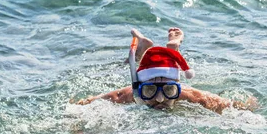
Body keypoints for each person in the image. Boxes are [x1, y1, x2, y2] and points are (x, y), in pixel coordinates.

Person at [76, 28, 257, 114]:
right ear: (139, 89)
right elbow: (89, 103)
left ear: (178, 88)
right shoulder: (131, 94)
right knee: (160, 73)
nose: (160, 99)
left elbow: (225, 105)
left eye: (170, 91)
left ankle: (172, 47)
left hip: (164, 75)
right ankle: (150, 48)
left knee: (164, 72)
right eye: (149, 91)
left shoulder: (186, 94)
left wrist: (245, 107)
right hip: (153, 77)